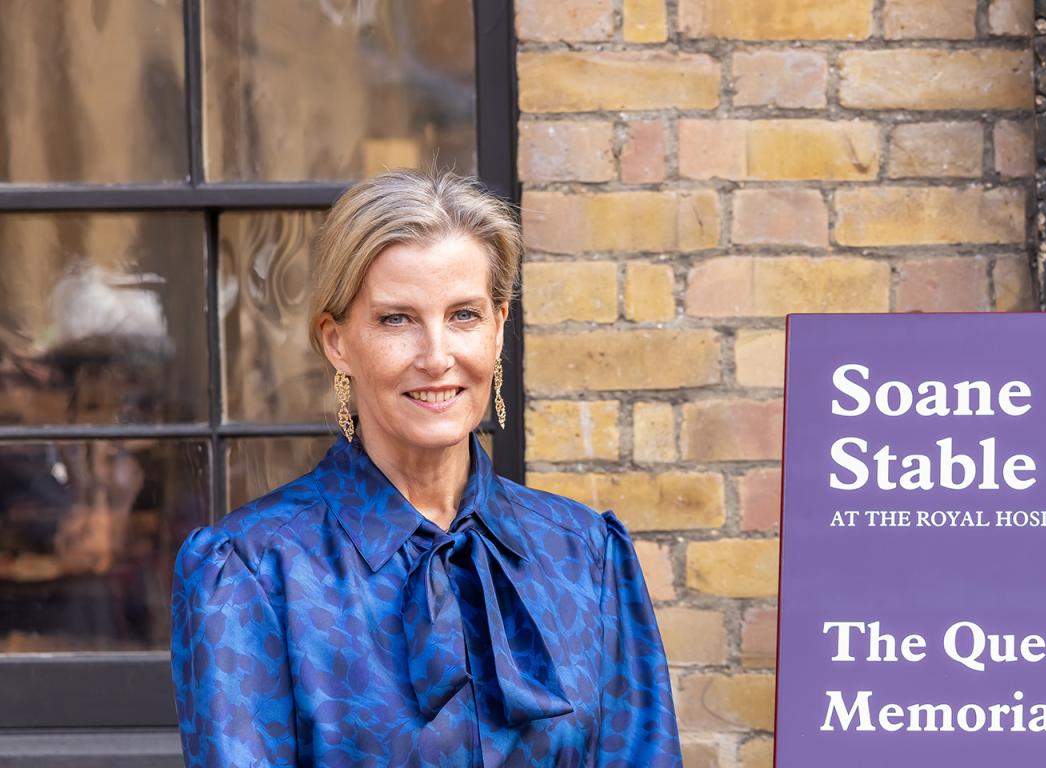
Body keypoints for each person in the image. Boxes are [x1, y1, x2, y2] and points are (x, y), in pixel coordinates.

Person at [169, 170, 680, 766]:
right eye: (396, 320)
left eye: (463, 315)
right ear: (337, 342)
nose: (437, 357)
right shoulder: (253, 572)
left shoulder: (584, 555)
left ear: (498, 328)